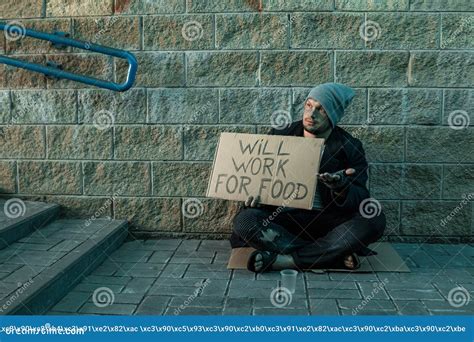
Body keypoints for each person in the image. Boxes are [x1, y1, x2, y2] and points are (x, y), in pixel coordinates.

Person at [230, 83, 386, 273]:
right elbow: (261, 179)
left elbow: (360, 197)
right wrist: (254, 199)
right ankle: (328, 257)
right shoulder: (281, 135)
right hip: (284, 222)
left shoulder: (350, 147)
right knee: (244, 220)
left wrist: (342, 188)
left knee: (374, 218)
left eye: (321, 109)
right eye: (309, 105)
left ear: (333, 116)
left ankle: (287, 260)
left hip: (327, 224)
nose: (311, 114)